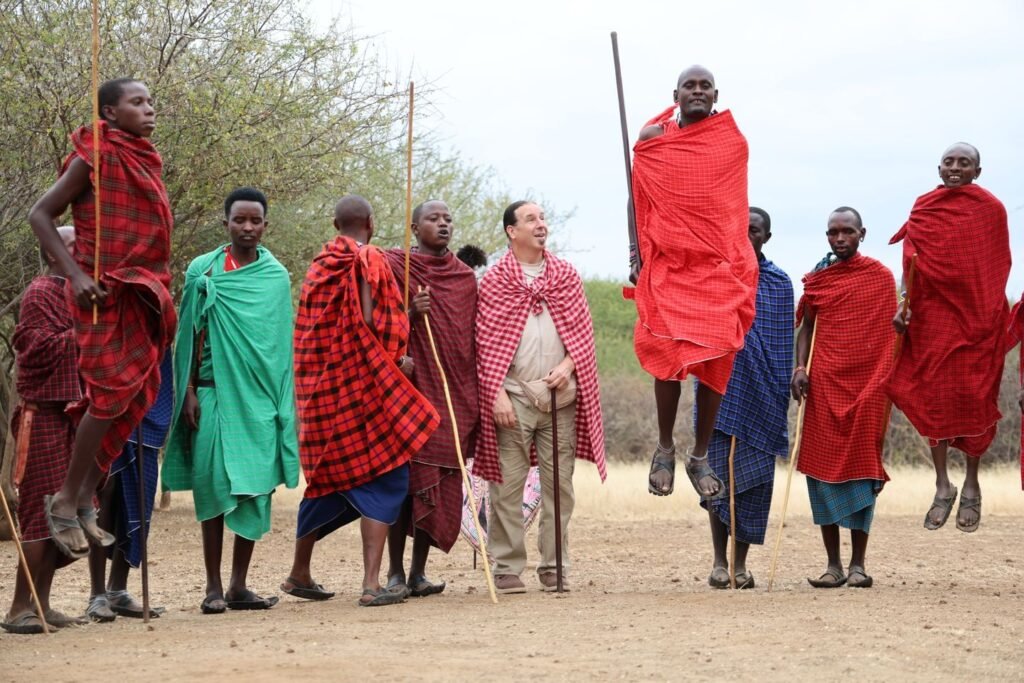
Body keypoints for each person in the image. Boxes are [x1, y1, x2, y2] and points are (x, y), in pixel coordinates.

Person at [27, 78, 176, 558]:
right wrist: (74, 276)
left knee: (134, 394)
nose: (149, 110)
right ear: (109, 113)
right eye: (137, 103)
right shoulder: (93, 156)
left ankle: (86, 494)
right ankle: (66, 499)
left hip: (140, 294)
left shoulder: (145, 159)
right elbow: (40, 215)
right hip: (101, 294)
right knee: (110, 393)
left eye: (150, 102)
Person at [282, 195, 439, 607]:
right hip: (366, 389)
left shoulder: (318, 267)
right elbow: (372, 321)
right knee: (387, 477)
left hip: (324, 393)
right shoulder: (368, 259)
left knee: (327, 480)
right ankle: (371, 584)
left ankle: (300, 571)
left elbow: (310, 332)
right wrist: (396, 359)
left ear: (335, 224)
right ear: (370, 222)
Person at [163, 187, 299, 613]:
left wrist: (281, 405)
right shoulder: (203, 270)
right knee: (214, 487)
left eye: (255, 221)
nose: (247, 227)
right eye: (239, 220)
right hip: (209, 394)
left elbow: (277, 347)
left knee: (255, 490)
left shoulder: (275, 276)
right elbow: (186, 336)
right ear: (225, 223)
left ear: (265, 224)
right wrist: (185, 390)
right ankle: (213, 587)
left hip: (258, 402)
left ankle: (239, 585)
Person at [630, 65, 757, 501]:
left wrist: (738, 261)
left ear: (715, 95)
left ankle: (699, 454)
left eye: (705, 86)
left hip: (719, 267)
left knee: (718, 357)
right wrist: (636, 252)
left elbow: (732, 212)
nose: (697, 91)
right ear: (676, 94)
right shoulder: (653, 141)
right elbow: (638, 197)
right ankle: (664, 447)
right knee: (666, 352)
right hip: (669, 262)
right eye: (690, 86)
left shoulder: (731, 143)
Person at [474, 200, 606, 594]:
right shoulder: (495, 280)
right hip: (513, 395)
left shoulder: (566, 275)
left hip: (559, 397)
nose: (541, 224)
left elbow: (582, 335)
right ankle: (508, 566)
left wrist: (567, 369)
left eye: (543, 218)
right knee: (508, 486)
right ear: (512, 232)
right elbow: (482, 343)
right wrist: (494, 393)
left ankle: (554, 565)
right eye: (531, 219)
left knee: (559, 486)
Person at [887, 143, 1010, 533]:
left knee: (974, 397)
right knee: (932, 397)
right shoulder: (924, 207)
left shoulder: (991, 210)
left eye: (964, 163)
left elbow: (997, 265)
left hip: (979, 318)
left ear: (978, 170)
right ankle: (942, 484)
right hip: (933, 318)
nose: (955, 168)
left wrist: (989, 316)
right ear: (938, 167)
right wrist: (904, 303)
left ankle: (972, 483)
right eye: (949, 162)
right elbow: (911, 262)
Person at [792, 207, 894, 589]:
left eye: (847, 232)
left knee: (863, 474)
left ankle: (858, 565)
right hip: (824, 388)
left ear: (862, 234)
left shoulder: (880, 278)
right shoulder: (820, 280)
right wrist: (800, 368)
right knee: (820, 474)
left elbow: (890, 338)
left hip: (867, 390)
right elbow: (806, 328)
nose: (839, 239)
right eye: (832, 232)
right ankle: (833, 565)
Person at [384, 200, 479, 597]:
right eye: (433, 219)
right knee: (404, 485)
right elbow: (379, 322)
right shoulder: (396, 267)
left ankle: (418, 572)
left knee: (436, 483)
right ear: (413, 226)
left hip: (454, 392)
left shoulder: (464, 277)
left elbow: (469, 338)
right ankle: (392, 572)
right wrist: (410, 311)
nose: (443, 225)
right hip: (413, 388)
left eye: (448, 219)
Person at [699, 207, 792, 589]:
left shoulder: (778, 283)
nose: (747, 235)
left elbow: (783, 345)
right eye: (741, 229)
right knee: (717, 478)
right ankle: (719, 562)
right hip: (719, 394)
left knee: (754, 484)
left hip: (766, 397)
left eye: (754, 231)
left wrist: (785, 388)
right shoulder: (715, 276)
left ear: (766, 237)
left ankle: (740, 564)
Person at [2, 226, 89, 634]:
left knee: (66, 510)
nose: (84, 252)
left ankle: (44, 602)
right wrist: (86, 333)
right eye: (76, 247)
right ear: (55, 254)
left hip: (73, 417)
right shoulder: (41, 292)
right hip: (45, 416)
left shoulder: (79, 293)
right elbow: (34, 349)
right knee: (40, 510)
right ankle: (21, 606)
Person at [85, 351, 173, 622]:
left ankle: (118, 589)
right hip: (111, 391)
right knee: (106, 490)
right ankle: (97, 594)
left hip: (150, 397)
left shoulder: (158, 307)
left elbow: (165, 332)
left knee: (140, 493)